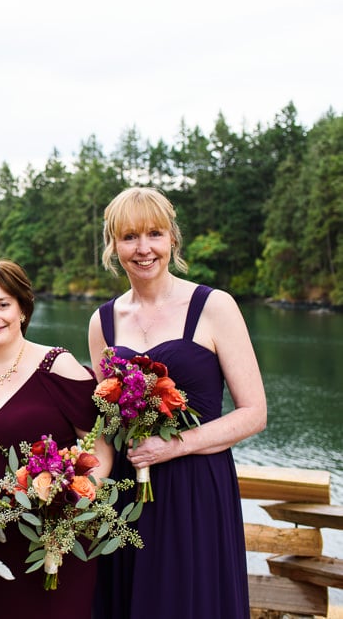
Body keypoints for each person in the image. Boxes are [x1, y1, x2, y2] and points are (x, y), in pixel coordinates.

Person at [89, 187, 267, 619]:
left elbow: (254, 413)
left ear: (173, 239)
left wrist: (175, 445)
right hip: (128, 496)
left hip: (197, 488)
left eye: (155, 234)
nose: (144, 248)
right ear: (113, 246)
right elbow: (104, 426)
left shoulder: (214, 306)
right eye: (129, 237)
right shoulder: (102, 322)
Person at [0, 259, 113, 618]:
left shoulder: (58, 366)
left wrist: (69, 510)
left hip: (54, 545)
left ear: (22, 309)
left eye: (3, 304)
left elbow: (98, 448)